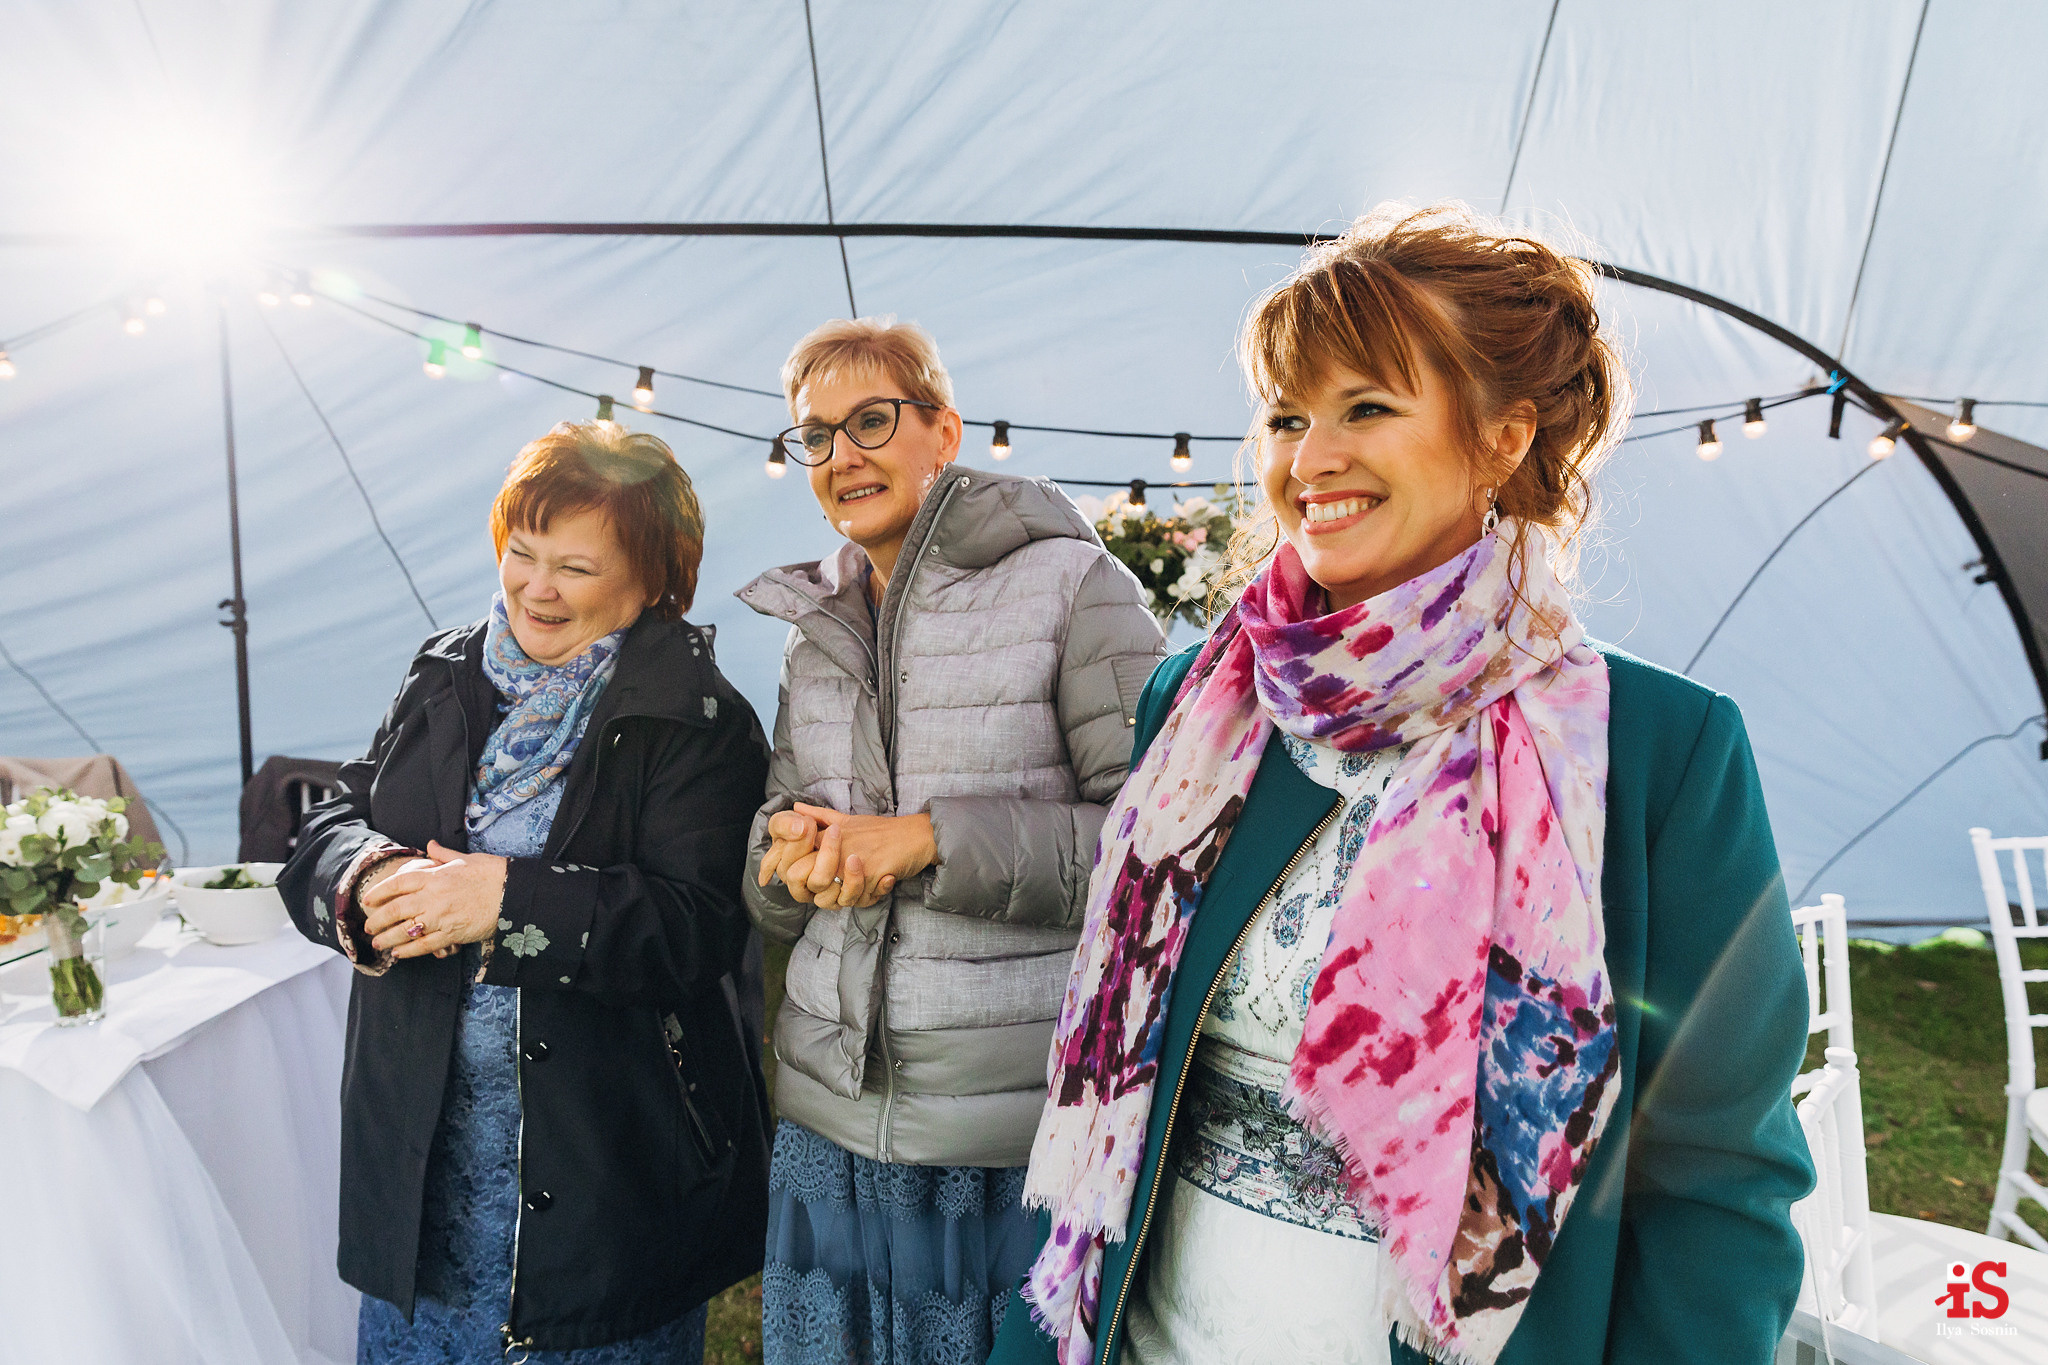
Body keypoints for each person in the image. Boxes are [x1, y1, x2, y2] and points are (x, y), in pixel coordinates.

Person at [991, 204, 1816, 1365]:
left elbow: (1717, 1180)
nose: (1307, 458)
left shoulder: (1657, 751)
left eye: (1365, 408)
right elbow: (1107, 1082)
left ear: (1501, 436)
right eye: (1285, 416)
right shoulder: (1199, 705)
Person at [280, 420, 773, 1364]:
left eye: (576, 568)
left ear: (653, 581)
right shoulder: (444, 673)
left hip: (607, 1192)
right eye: (522, 553)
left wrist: (504, 902)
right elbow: (330, 818)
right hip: (424, 1184)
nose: (537, 588)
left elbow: (697, 926)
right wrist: (364, 874)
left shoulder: (697, 716)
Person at [736, 318, 1167, 1364]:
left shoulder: (1072, 585)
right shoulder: (815, 625)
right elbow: (774, 848)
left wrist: (929, 841)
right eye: (815, 437)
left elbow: (1155, 846)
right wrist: (783, 860)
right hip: (829, 1113)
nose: (841, 456)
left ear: (944, 429)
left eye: (870, 421)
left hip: (998, 1128)